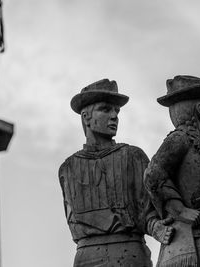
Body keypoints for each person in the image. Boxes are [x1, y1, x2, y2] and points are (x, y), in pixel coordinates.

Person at [59, 79, 174, 267]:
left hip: (129, 254)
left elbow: (148, 210)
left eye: (117, 111)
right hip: (85, 257)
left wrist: (156, 227)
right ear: (86, 117)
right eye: (105, 109)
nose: (114, 116)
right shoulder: (67, 169)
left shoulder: (133, 156)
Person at [144, 75, 200, 266]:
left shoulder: (195, 144)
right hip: (189, 240)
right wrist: (178, 208)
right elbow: (153, 173)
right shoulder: (180, 139)